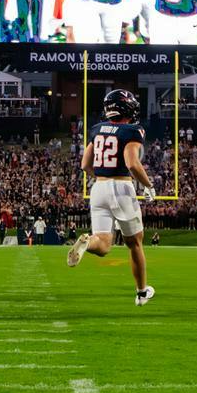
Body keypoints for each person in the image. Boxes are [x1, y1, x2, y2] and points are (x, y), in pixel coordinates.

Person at [66, 88, 157, 304]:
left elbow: (85, 164)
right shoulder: (132, 131)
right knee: (135, 243)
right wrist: (148, 185)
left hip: (98, 188)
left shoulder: (97, 129)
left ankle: (87, 243)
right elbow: (132, 163)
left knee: (104, 244)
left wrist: (103, 178)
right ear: (128, 107)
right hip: (122, 189)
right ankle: (142, 292)